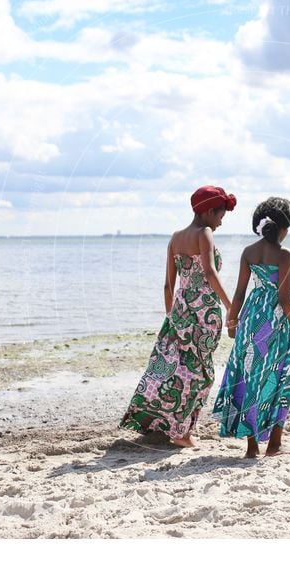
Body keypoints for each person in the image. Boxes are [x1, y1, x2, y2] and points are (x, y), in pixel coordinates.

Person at [119, 185, 235, 448]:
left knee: (171, 367)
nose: (219, 223)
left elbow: (167, 285)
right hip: (204, 312)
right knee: (200, 372)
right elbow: (210, 274)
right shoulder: (203, 233)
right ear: (207, 212)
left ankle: (160, 424)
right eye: (219, 216)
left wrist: (172, 317)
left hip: (179, 310)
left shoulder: (174, 238)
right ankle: (181, 432)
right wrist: (230, 307)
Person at [212, 196, 290, 458]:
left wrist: (232, 322)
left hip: (251, 320)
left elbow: (240, 292)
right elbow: (284, 298)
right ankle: (275, 444)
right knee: (281, 377)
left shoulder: (248, 252)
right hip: (275, 322)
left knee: (250, 378)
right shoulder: (285, 255)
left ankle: (252, 447)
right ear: (284, 229)